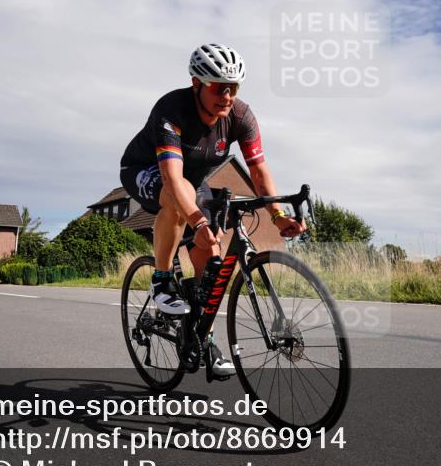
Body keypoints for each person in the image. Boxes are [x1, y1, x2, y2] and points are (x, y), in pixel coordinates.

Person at [120, 43, 306, 377]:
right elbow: (171, 178)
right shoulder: (172, 108)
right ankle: (162, 281)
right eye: (220, 87)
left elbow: (259, 171)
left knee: (212, 255)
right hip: (146, 170)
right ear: (197, 84)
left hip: (192, 180)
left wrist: (278, 216)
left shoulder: (241, 116)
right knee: (183, 201)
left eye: (234, 88)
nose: (228, 96)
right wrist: (197, 219)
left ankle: (202, 338)